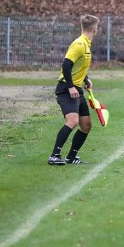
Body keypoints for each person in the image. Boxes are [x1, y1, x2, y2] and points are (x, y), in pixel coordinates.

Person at [49, 14, 101, 165]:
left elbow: (78, 66)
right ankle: (54, 155)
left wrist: (86, 79)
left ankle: (71, 157)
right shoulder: (79, 44)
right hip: (67, 88)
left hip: (77, 88)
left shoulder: (86, 44)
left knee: (86, 125)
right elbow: (66, 64)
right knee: (72, 120)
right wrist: (71, 86)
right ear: (95, 29)